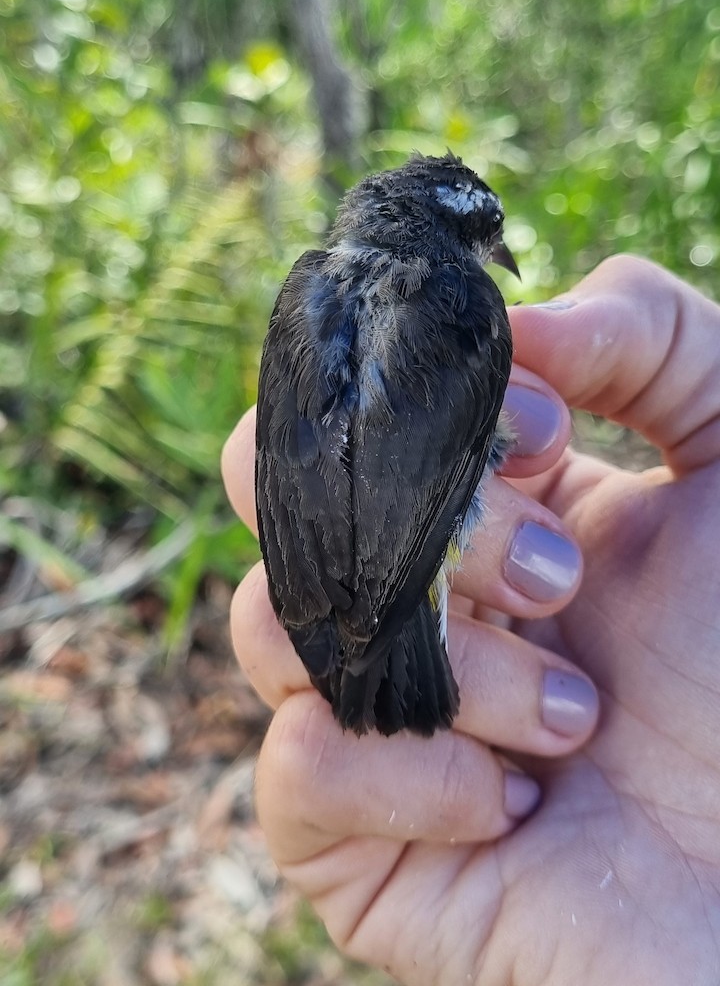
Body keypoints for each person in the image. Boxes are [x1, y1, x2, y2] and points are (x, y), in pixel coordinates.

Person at [222, 254, 720, 986]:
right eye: (487, 237)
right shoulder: (454, 296)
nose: (499, 257)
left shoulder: (320, 289)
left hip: (381, 581)